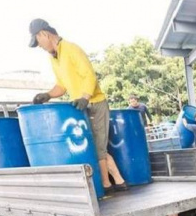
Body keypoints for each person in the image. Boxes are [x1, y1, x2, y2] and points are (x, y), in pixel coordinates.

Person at [28, 18, 127, 195]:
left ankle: (106, 186)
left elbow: (89, 75)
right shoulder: (54, 58)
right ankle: (119, 181)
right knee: (96, 147)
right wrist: (47, 95)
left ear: (45, 33)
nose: (40, 47)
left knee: (98, 149)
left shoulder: (71, 49)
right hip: (80, 108)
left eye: (38, 41)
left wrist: (85, 97)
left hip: (94, 103)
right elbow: (62, 86)